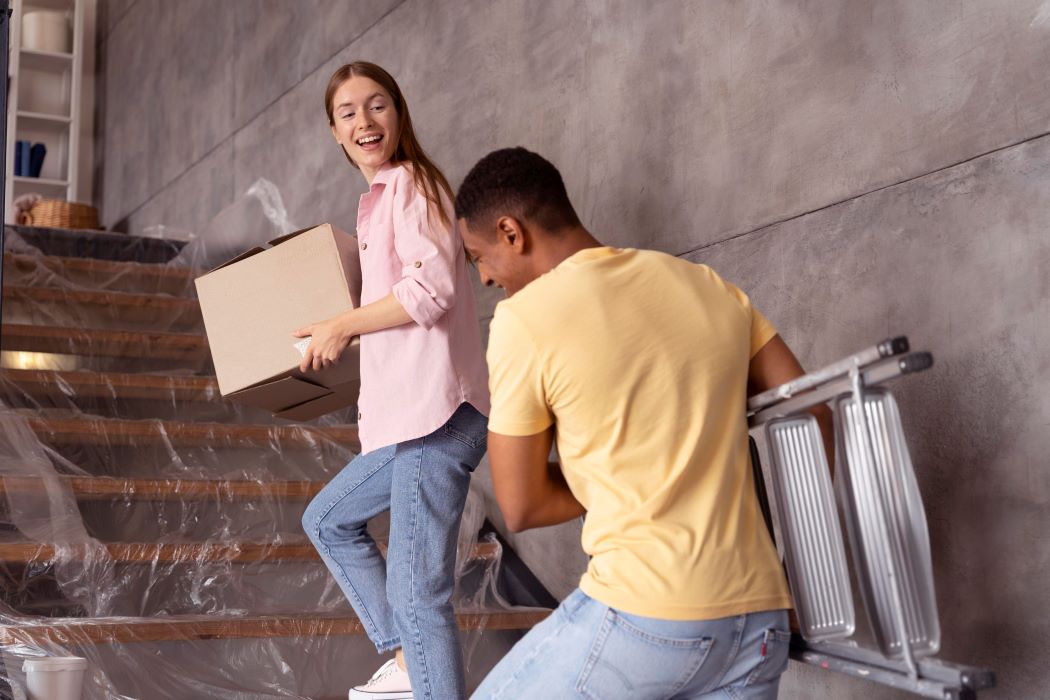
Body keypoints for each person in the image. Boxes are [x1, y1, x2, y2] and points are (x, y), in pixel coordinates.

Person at [456, 147, 809, 699]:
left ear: (511, 232)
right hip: (759, 622)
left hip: (649, 612)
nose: (483, 277)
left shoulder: (524, 319)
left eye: (478, 256)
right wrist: (799, 575)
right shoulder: (705, 284)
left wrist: (625, 470)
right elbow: (811, 408)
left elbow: (521, 503)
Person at [299, 62, 490, 700]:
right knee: (328, 520)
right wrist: (338, 329)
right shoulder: (377, 201)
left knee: (418, 597)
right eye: (348, 112)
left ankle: (419, 672)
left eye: (377, 105)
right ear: (334, 131)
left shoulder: (412, 183)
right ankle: (410, 663)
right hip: (412, 420)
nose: (365, 121)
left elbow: (430, 292)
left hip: (438, 416)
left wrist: (343, 325)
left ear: (399, 114)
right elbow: (404, 309)